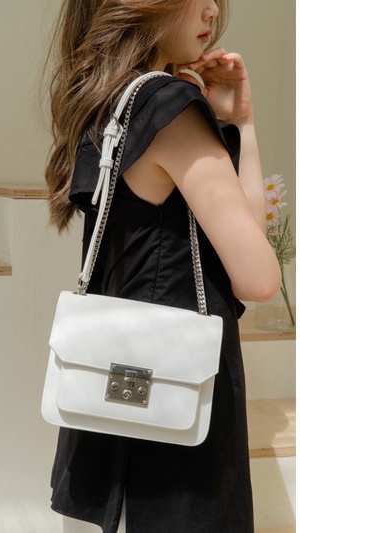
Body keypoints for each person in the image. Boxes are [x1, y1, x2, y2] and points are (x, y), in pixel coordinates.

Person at [43, 0, 282, 531]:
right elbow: (259, 278)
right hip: (176, 398)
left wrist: (237, 122)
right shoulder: (169, 107)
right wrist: (240, 124)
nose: (214, 10)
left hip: (118, 392)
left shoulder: (107, 102)